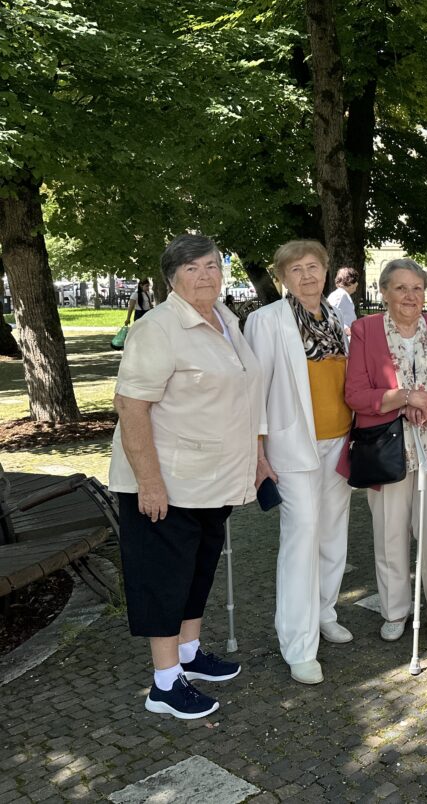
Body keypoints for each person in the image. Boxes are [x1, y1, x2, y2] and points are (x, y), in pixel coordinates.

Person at [109, 234, 263, 719]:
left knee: (198, 570)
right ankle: (164, 683)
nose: (205, 275)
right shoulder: (158, 328)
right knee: (164, 579)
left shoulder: (225, 319)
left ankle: (190, 654)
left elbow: (243, 396)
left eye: (212, 265)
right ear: (172, 278)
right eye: (193, 268)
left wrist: (257, 457)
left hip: (212, 479)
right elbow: (131, 407)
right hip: (168, 481)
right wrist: (149, 481)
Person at [342, 258, 427, 648]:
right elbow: (356, 394)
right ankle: (395, 611)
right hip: (386, 449)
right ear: (384, 292)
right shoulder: (365, 330)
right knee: (390, 534)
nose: (410, 296)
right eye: (400, 288)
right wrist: (404, 398)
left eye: (417, 288)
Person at [243, 240, 353, 686]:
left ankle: (325, 612)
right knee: (302, 537)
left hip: (339, 442)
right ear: (282, 277)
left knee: (333, 534)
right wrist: (258, 453)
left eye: (313, 267)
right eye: (296, 269)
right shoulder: (267, 320)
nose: (306, 276)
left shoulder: (337, 318)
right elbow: (253, 392)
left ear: (326, 271)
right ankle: (298, 644)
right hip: (292, 446)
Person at [326, 267, 360, 340]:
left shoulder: (342, 295)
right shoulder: (340, 296)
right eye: (355, 280)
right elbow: (330, 317)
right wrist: (347, 330)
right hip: (341, 338)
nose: (357, 283)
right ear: (350, 282)